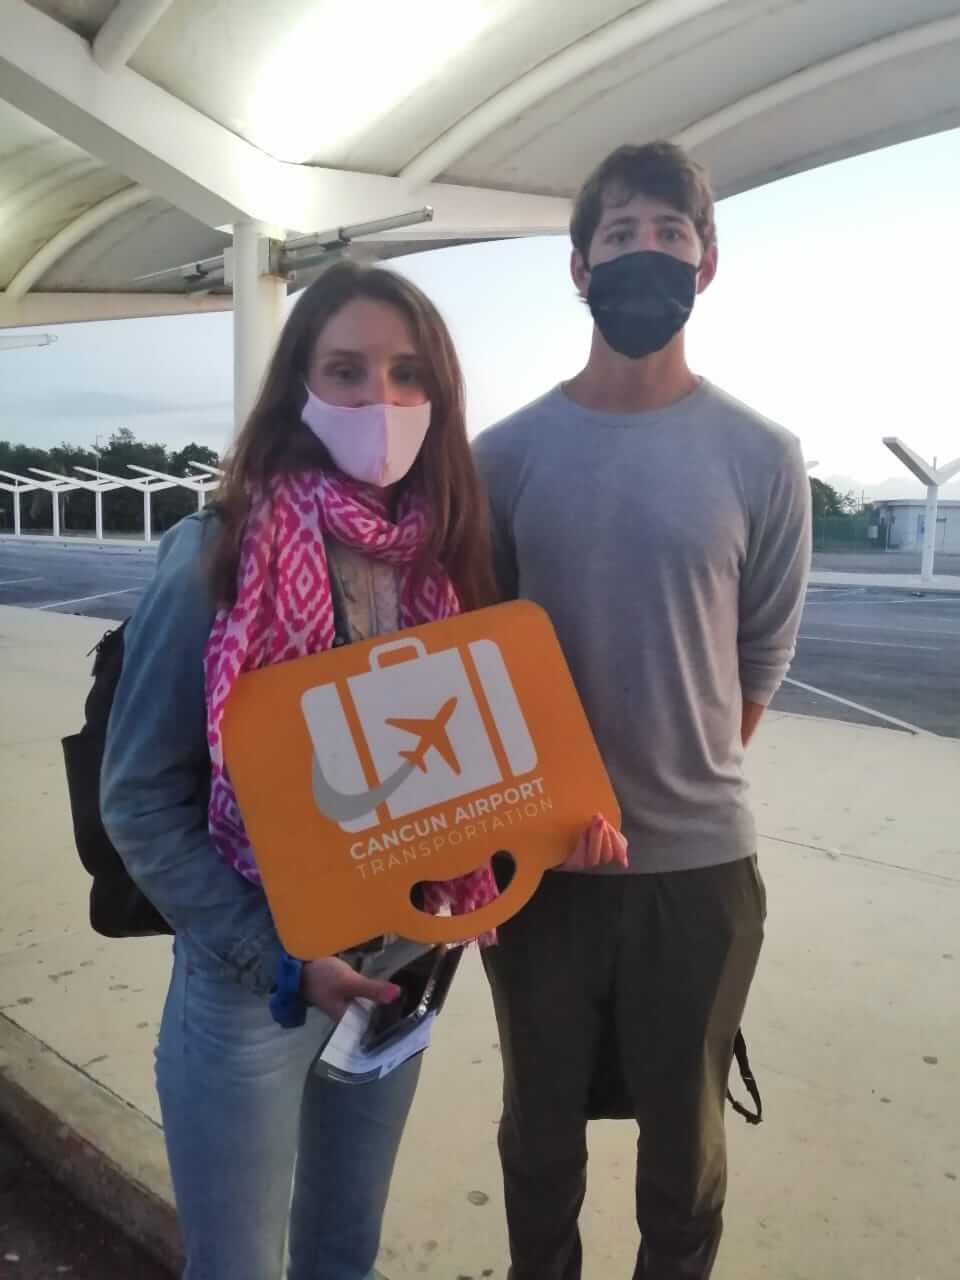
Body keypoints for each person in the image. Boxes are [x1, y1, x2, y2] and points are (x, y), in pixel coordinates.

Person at [100, 259, 501, 1280]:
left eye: (410, 374)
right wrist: (276, 956)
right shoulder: (213, 556)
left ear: (440, 396)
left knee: (342, 1254)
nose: (382, 400)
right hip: (256, 984)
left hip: (397, 969)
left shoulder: (442, 566)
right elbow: (139, 799)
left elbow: (473, 773)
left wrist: (545, 832)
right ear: (299, 389)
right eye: (348, 370)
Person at [474, 141, 811, 1279]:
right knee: (539, 1144)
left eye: (671, 235)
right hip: (540, 873)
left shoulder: (764, 455)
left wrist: (674, 782)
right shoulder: (503, 457)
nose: (646, 254)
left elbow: (760, 654)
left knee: (684, 1159)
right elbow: (468, 663)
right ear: (578, 266)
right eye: (621, 235)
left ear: (706, 263)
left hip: (697, 873)